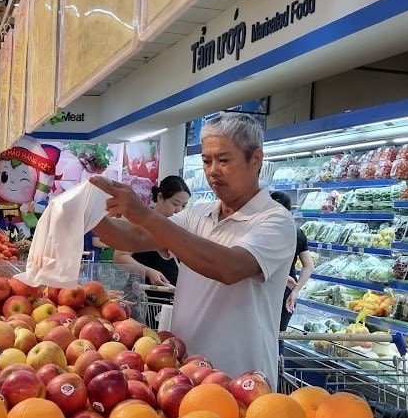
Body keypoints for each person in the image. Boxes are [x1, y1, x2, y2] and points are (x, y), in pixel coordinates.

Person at [90, 113, 296, 387]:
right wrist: (88, 213)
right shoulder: (199, 214)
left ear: (255, 159)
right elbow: (134, 237)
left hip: (241, 380)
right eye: (206, 161)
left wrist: (145, 214)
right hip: (182, 371)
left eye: (224, 160)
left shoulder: (276, 221)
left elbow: (229, 267)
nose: (213, 170)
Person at [114, 176, 190, 287]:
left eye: (183, 206)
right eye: (175, 204)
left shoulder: (178, 227)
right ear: (160, 197)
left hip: (170, 296)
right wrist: (148, 272)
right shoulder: (141, 221)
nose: (179, 210)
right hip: (142, 293)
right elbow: (119, 257)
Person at [271, 191, 314, 332]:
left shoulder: (264, 232)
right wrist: (295, 291)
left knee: (263, 337)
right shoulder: (297, 232)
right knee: (280, 336)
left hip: (267, 288)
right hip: (287, 290)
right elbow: (308, 265)